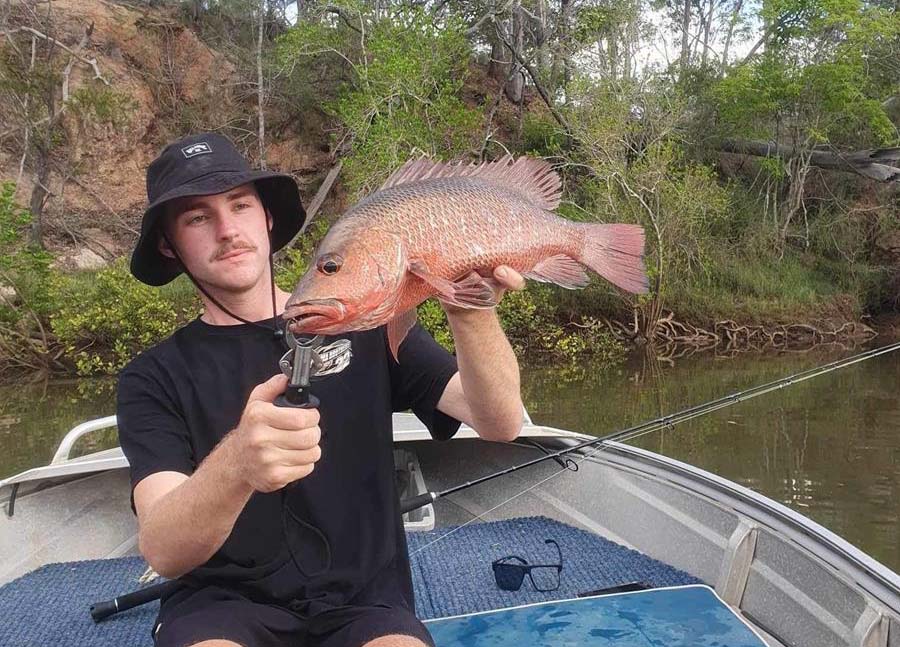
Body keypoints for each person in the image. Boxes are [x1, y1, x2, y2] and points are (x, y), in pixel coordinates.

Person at [116, 132, 525, 647]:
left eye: (240, 206)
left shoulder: (369, 318)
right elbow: (163, 550)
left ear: (266, 219)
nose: (227, 230)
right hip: (218, 605)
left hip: (366, 602)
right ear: (167, 245)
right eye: (197, 217)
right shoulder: (152, 376)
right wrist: (237, 464)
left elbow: (500, 420)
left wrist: (471, 310)